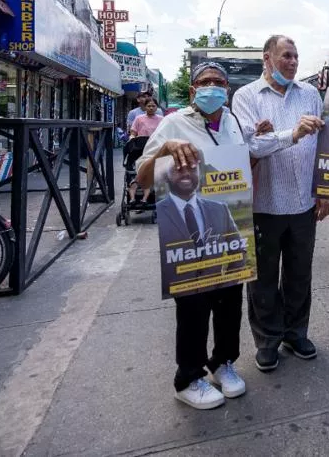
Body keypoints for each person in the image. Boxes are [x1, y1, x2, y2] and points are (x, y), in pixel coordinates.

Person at [136, 62, 247, 410]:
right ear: (192, 91)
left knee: (230, 300)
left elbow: (241, 166)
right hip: (186, 230)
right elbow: (142, 177)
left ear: (227, 90)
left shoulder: (232, 121)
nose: (212, 87)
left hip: (226, 224)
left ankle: (222, 363)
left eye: (219, 82)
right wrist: (164, 149)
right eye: (205, 82)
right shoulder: (172, 122)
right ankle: (188, 377)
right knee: (194, 305)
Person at [231, 35, 329, 373]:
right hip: (262, 205)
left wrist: (326, 190)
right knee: (262, 280)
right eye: (285, 56)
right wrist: (291, 134)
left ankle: (295, 332)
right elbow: (248, 147)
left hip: (303, 203)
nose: (292, 62)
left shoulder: (310, 95)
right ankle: (268, 340)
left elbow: (323, 147)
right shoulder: (245, 97)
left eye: (296, 56)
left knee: (299, 274)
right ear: (267, 59)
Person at [155, 154, 246, 291]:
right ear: (167, 176)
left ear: (200, 173)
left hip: (220, 293)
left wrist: (227, 283)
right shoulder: (160, 211)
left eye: (192, 168)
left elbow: (239, 250)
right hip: (184, 297)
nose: (186, 173)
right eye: (178, 168)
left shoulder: (220, 209)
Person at [129, 96, 164, 203]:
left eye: (153, 106)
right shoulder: (139, 118)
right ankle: (133, 198)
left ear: (156, 107)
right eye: (149, 106)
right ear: (145, 107)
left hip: (155, 148)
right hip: (139, 148)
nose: (151, 108)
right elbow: (133, 132)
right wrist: (131, 139)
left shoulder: (162, 120)